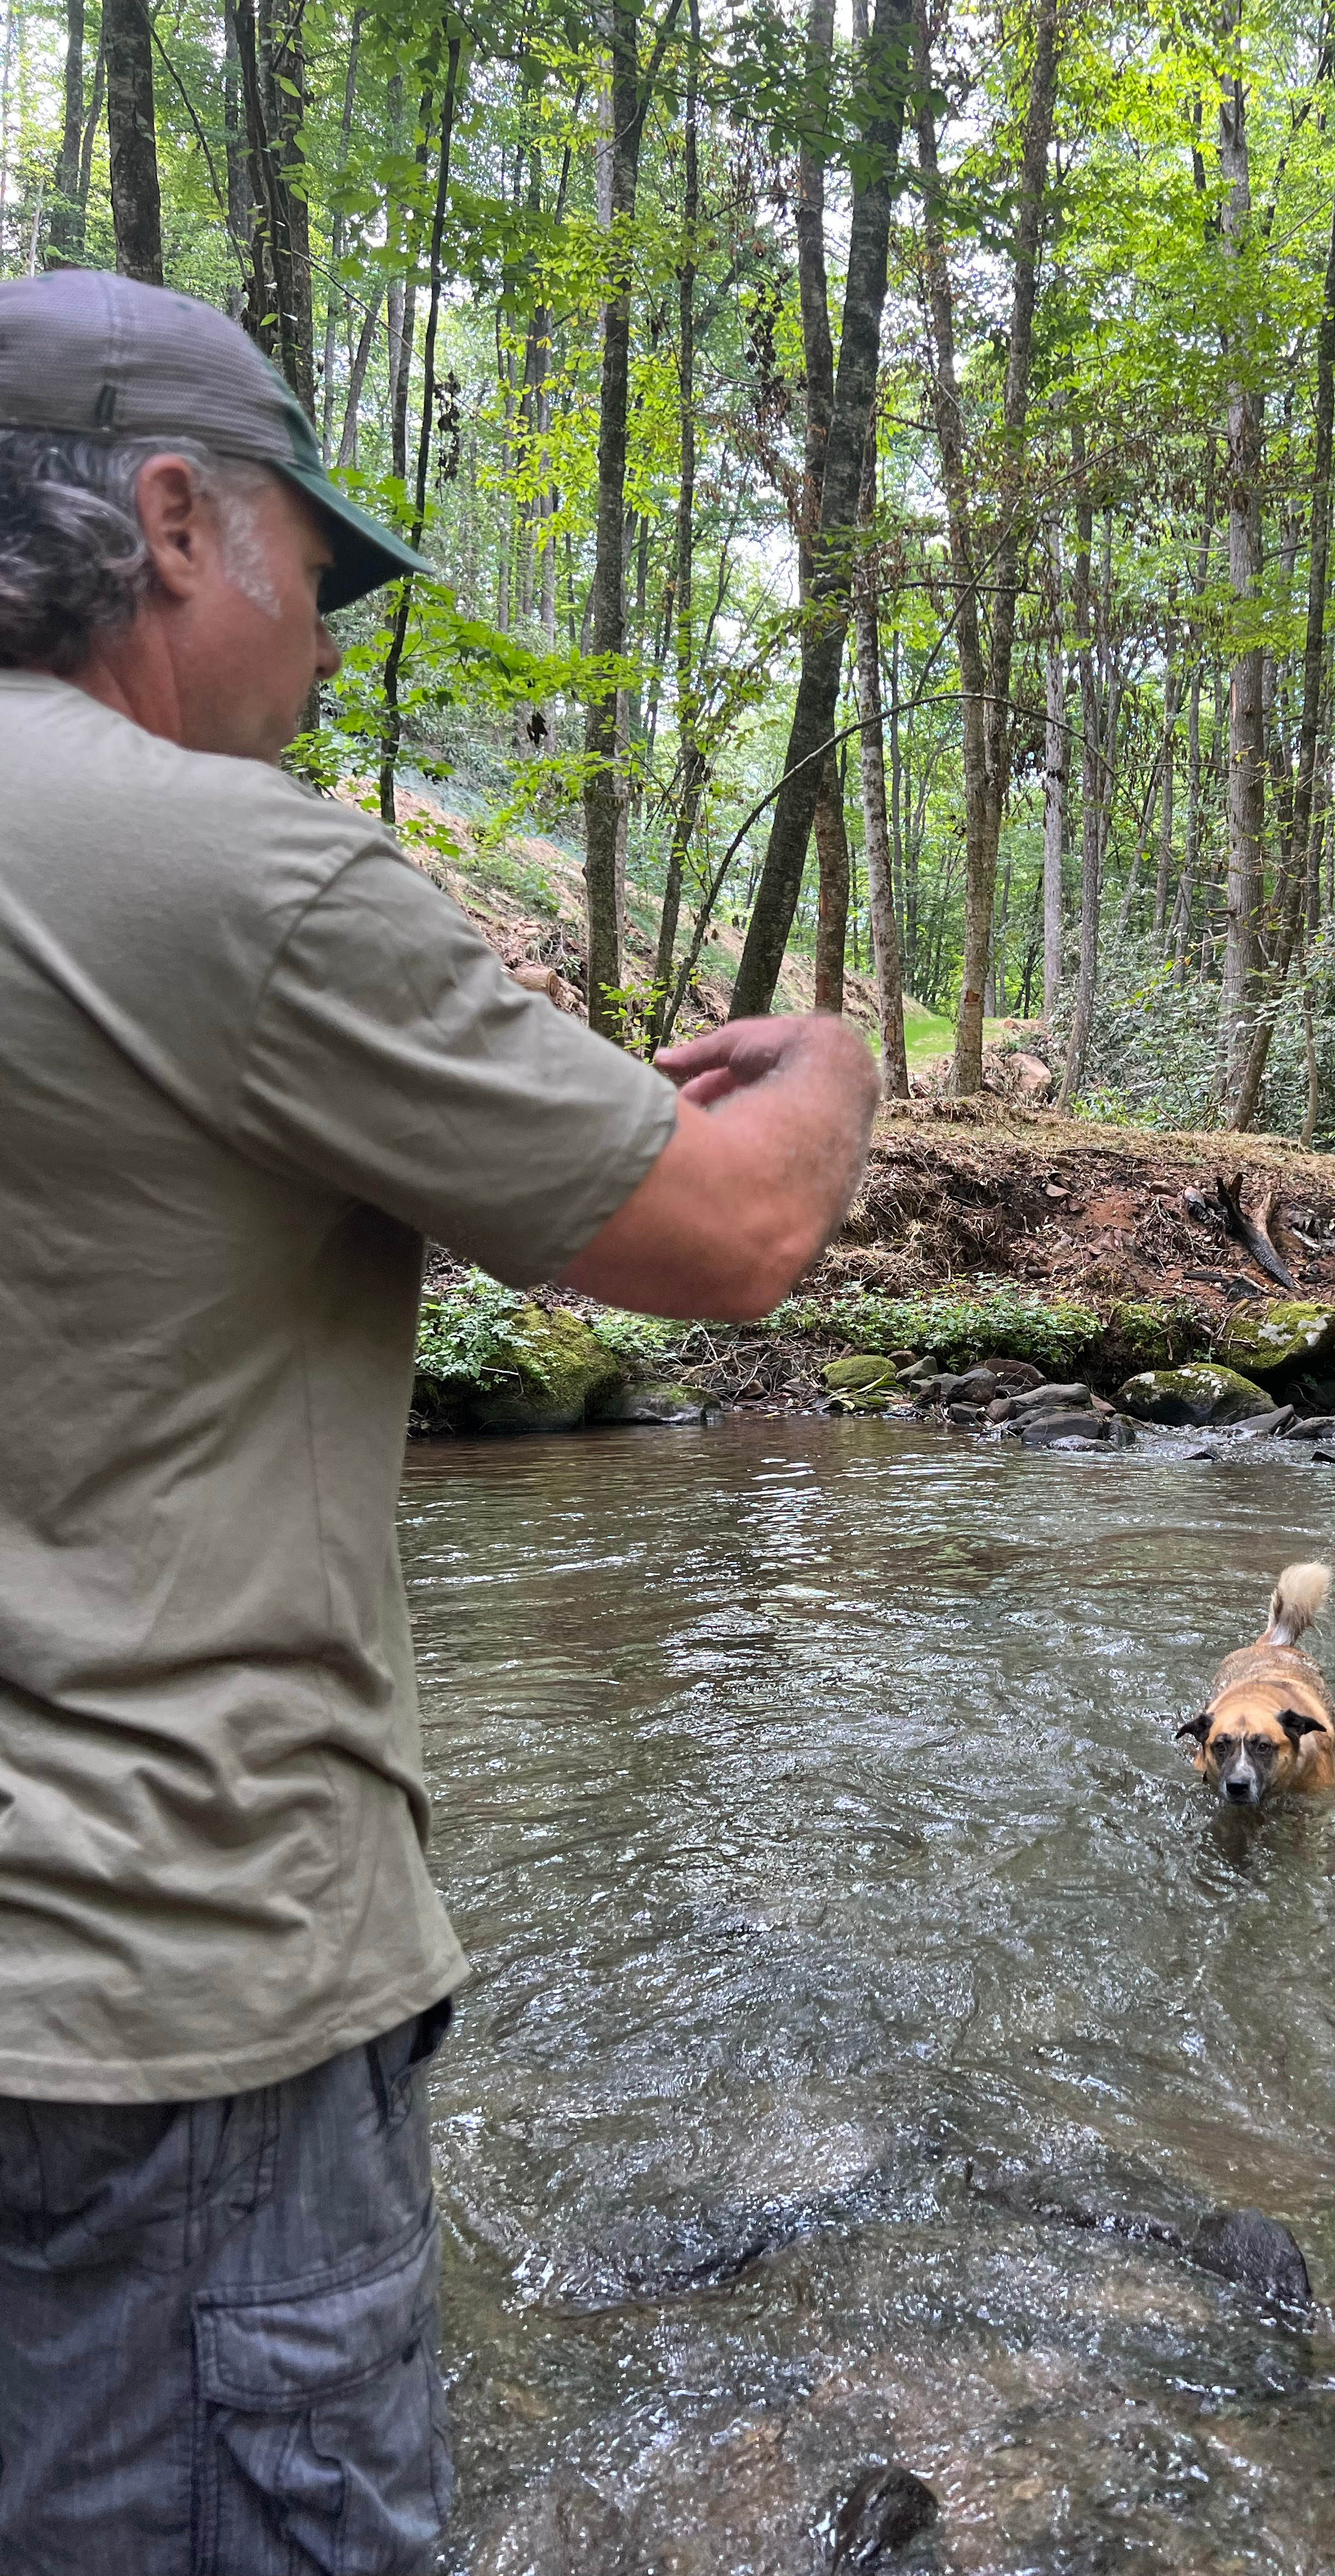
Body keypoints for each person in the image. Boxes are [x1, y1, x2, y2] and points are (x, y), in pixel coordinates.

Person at [0, 269, 879, 2574]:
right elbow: (729, 1236)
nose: (330, 639)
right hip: (163, 1996)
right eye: (320, 563)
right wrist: (838, 1076)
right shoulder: (226, 874)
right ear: (174, 520)